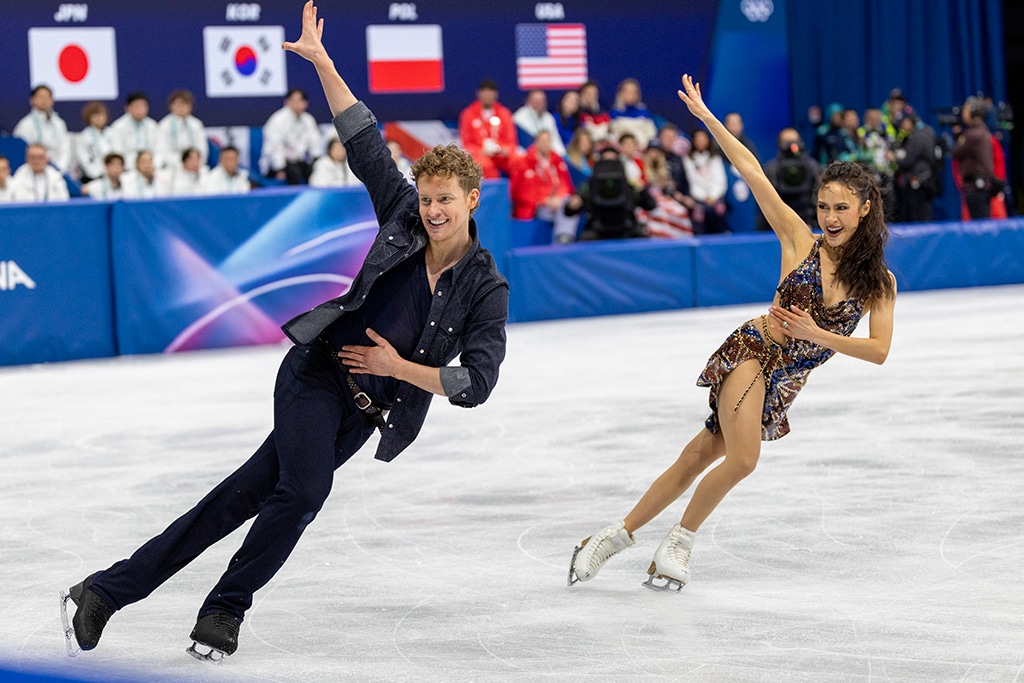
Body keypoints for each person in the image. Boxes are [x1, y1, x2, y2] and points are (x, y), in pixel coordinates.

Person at [61, 0, 509, 662]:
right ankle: (225, 608)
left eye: (445, 199)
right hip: (316, 373)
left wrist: (397, 369)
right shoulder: (403, 216)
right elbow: (363, 137)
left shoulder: (486, 288)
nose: (432, 209)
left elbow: (476, 383)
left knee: (242, 497)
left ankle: (106, 590)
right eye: (426, 196)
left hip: (366, 414)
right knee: (302, 491)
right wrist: (324, 62)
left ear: (472, 199)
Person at [568, 74, 896, 593]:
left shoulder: (880, 282)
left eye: (840, 208)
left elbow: (879, 351)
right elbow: (751, 168)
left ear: (864, 209)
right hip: (754, 352)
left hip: (785, 381)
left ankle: (609, 538)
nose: (829, 218)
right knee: (743, 458)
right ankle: (679, 542)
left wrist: (819, 333)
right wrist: (707, 119)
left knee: (698, 457)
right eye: (823, 206)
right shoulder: (797, 238)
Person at [564, 143, 656, 241]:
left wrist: (641, 189)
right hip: (597, 231)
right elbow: (568, 211)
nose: (609, 167)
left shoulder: (629, 184)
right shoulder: (590, 186)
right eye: (606, 162)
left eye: (612, 162)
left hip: (627, 229)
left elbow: (650, 205)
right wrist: (573, 204)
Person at [509, 130, 579, 243]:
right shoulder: (524, 163)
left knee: (569, 205)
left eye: (547, 141)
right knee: (566, 208)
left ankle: (562, 239)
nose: (545, 144)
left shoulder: (557, 160)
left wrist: (559, 198)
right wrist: (544, 200)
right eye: (542, 141)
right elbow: (520, 192)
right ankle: (563, 241)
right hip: (536, 207)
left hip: (557, 203)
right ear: (536, 142)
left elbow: (566, 184)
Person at [260, 88, 324, 184]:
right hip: (275, 164)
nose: (297, 104)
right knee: (294, 172)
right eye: (293, 100)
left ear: (305, 103)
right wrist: (279, 168)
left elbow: (315, 142)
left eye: (300, 100)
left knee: (315, 172)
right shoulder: (277, 120)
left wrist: (317, 160)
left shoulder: (308, 120)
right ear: (287, 102)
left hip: (298, 161)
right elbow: (274, 147)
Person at [761, 128, 821, 229]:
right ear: (779, 144)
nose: (791, 145)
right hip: (778, 225)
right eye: (787, 142)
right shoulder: (771, 170)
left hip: (809, 220)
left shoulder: (812, 167)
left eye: (795, 141)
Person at [458, 79, 517, 178]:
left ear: (495, 95)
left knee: (519, 162)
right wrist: (479, 151)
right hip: (481, 153)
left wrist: (506, 149)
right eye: (485, 93)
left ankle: (517, 193)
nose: (487, 97)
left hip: (501, 153)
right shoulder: (468, 114)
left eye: (490, 94)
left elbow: (511, 140)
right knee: (484, 166)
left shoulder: (504, 113)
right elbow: (467, 142)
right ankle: (495, 193)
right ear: (479, 94)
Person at [952, 96, 997, 220]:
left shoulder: (973, 134)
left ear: (974, 111)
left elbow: (956, 152)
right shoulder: (981, 131)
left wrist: (957, 136)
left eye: (966, 110)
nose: (963, 113)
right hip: (981, 185)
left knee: (980, 227)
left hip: (977, 187)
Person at [890, 113, 939, 223]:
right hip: (926, 181)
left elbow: (907, 161)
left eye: (902, 124)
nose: (901, 128)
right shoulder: (927, 131)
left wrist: (893, 158)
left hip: (920, 183)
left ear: (908, 121)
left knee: (920, 217)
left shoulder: (918, 137)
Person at [13, 85, 72, 173]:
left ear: (52, 100)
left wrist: (60, 169)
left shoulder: (59, 123)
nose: (44, 100)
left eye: (47, 97)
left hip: (58, 171)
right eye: (41, 97)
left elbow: (65, 149)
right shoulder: (25, 125)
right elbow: (22, 152)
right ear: (32, 100)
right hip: (34, 171)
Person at [682, 128, 729, 234]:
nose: (701, 142)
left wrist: (712, 196)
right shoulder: (688, 160)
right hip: (698, 198)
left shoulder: (715, 158)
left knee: (719, 209)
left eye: (703, 139)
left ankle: (722, 238)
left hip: (715, 197)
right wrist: (704, 197)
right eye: (698, 139)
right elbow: (692, 182)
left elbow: (720, 181)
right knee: (699, 213)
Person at [155, 89, 208, 171]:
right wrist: (180, 164)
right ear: (171, 106)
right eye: (178, 105)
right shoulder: (164, 125)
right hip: (171, 167)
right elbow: (161, 150)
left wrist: (193, 163)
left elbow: (202, 150)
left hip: (194, 166)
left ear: (190, 107)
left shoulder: (196, 125)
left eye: (185, 104)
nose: (182, 108)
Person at [109, 92, 159, 171]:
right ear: (127, 108)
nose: (140, 109)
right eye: (136, 106)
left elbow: (159, 149)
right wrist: (136, 166)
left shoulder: (152, 126)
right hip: (128, 169)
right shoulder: (118, 127)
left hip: (151, 168)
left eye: (143, 106)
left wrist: (151, 165)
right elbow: (117, 152)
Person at [512, 89, 566, 156]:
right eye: (536, 100)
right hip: (527, 154)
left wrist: (562, 155)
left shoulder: (548, 117)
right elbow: (524, 142)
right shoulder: (519, 117)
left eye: (542, 100)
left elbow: (555, 139)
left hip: (548, 156)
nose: (539, 103)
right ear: (528, 101)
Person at [608, 78, 658, 149]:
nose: (630, 94)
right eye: (627, 91)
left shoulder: (644, 112)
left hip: (642, 149)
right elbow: (612, 134)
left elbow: (651, 133)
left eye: (634, 92)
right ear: (621, 94)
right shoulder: (615, 112)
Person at [74, 102, 115, 183]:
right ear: (89, 118)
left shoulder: (112, 133)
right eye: (95, 116)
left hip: (112, 174)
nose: (99, 118)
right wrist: (96, 174)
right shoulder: (84, 136)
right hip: (92, 177)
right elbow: (84, 160)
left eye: (101, 115)